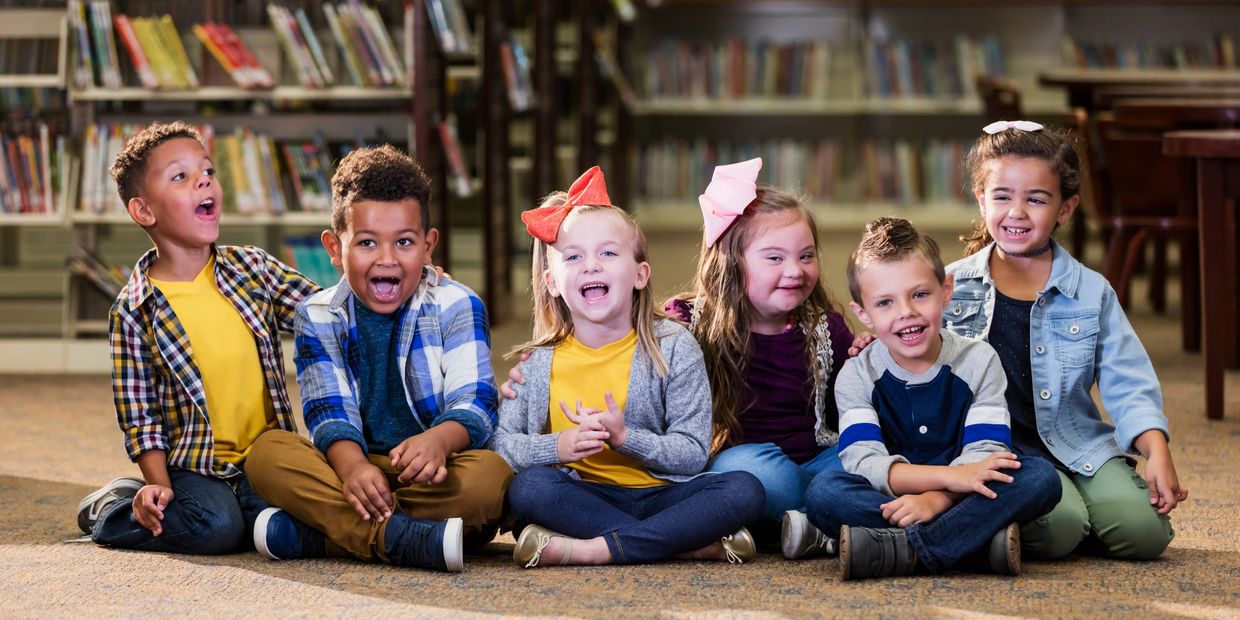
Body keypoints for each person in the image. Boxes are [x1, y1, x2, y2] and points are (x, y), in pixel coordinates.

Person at [243, 145, 511, 572]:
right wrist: (351, 468)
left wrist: (438, 442)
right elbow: (327, 412)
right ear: (334, 247)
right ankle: (403, 538)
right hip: (350, 467)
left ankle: (327, 535)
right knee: (267, 454)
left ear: (428, 246)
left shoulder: (457, 303)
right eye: (367, 243)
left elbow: (476, 402)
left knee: (491, 479)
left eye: (404, 242)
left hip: (429, 475)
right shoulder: (317, 315)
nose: (387, 259)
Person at [490, 166, 765, 567]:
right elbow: (502, 446)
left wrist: (625, 439)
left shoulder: (674, 347)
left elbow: (692, 454)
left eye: (608, 252)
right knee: (530, 489)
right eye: (574, 257)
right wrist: (560, 446)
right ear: (552, 282)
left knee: (745, 489)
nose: (591, 265)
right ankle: (680, 545)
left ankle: (595, 549)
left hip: (663, 495)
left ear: (640, 274)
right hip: (585, 497)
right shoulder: (536, 362)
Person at [75, 121, 320, 554]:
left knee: (295, 512)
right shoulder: (134, 311)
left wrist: (407, 283)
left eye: (207, 170)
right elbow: (140, 420)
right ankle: (115, 507)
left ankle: (244, 509)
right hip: (194, 465)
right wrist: (158, 487)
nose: (204, 180)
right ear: (144, 211)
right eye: (181, 176)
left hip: (266, 456)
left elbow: (325, 310)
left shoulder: (253, 269)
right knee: (216, 527)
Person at [946, 120, 1185, 560]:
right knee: (1059, 531)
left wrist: (1156, 450)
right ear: (981, 199)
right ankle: (1044, 518)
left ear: (1066, 208)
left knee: (1145, 534)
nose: (1017, 213)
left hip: (1078, 444)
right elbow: (907, 344)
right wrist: (871, 346)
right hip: (998, 453)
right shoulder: (948, 286)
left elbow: (1127, 380)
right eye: (1002, 197)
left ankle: (1038, 517)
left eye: (1036, 200)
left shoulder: (1092, 291)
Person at [804, 217, 1061, 580]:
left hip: (963, 489)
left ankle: (900, 550)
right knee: (825, 493)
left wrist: (936, 501)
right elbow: (865, 463)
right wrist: (947, 481)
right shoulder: (856, 374)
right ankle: (971, 545)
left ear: (946, 290)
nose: (906, 312)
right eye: (885, 303)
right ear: (863, 314)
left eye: (920, 294)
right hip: (904, 490)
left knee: (1039, 478)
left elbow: (985, 452)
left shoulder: (979, 360)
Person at [665, 158, 854, 560]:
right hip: (741, 462)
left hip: (817, 458)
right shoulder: (687, 324)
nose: (795, 270)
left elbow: (850, 412)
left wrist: (871, 362)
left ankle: (804, 521)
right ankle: (828, 519)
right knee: (756, 472)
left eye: (806, 256)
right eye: (775, 258)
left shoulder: (826, 328)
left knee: (860, 460)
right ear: (732, 262)